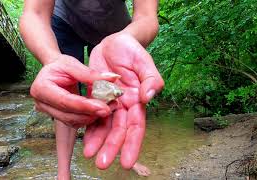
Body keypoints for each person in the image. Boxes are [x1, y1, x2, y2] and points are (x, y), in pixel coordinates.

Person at [19, 0, 164, 179]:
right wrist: (51, 58)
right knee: (66, 89)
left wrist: (127, 38)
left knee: (115, 87)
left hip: (114, 26)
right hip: (65, 18)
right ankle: (63, 174)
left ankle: (127, 155)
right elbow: (35, 13)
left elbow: (146, 15)